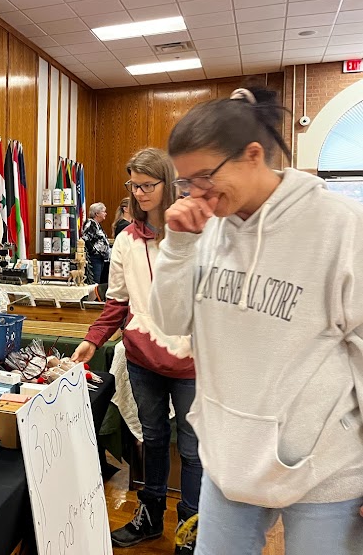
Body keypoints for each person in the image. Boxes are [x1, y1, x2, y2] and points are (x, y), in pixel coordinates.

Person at [149, 86, 363, 555]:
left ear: (252, 155)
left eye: (205, 176)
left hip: (324, 467)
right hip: (228, 459)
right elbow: (170, 320)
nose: (196, 193)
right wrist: (179, 245)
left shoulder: (341, 224)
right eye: (186, 182)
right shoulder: (206, 228)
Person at [72, 149, 200, 554]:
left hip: (192, 361)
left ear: (168, 183)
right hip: (143, 359)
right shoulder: (126, 239)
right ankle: (150, 517)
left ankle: (191, 529)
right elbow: (117, 301)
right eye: (134, 185)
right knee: (153, 438)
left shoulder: (195, 232)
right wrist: (93, 338)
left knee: (193, 449)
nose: (139, 193)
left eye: (147, 185)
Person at [82, 202, 110, 284]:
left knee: (98, 282)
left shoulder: (97, 224)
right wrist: (93, 251)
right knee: (94, 283)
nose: (105, 213)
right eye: (103, 211)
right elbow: (85, 238)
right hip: (94, 258)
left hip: (100, 258)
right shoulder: (90, 224)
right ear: (97, 213)